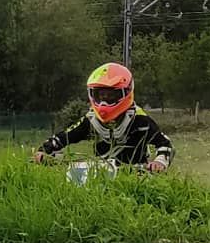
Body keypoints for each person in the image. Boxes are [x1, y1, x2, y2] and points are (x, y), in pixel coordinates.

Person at [32, 62, 174, 171]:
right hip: (100, 175)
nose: (104, 101)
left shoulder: (140, 120)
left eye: (111, 95)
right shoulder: (92, 120)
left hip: (137, 175)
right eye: (100, 95)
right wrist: (44, 150)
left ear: (126, 93)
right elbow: (65, 136)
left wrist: (159, 162)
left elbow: (165, 144)